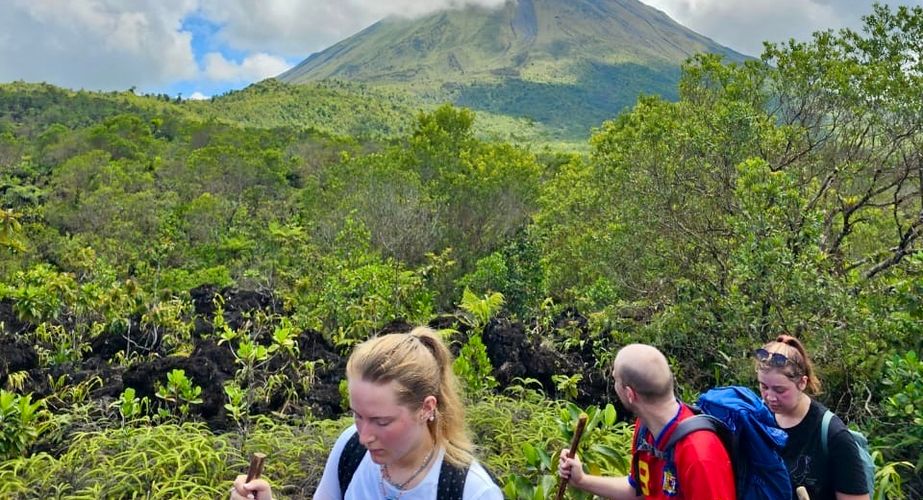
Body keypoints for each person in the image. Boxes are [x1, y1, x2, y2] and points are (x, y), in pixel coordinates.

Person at [231, 326, 503, 500]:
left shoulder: (470, 491)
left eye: (381, 421)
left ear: (426, 408)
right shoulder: (351, 449)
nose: (364, 436)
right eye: (357, 416)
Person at [558, 343, 735, 499]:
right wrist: (582, 480)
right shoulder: (645, 429)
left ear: (630, 394)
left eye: (615, 379)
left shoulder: (699, 454)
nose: (614, 385)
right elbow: (637, 491)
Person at [755, 334, 870, 500]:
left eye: (780, 390)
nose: (770, 397)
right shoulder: (757, 419)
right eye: (764, 387)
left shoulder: (833, 435)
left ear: (802, 382)